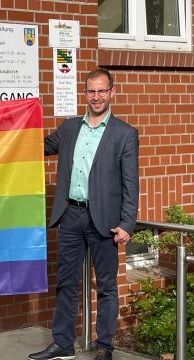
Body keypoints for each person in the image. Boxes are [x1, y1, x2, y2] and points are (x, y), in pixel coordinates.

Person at [28, 68, 139, 360]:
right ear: (85, 93)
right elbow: (36, 146)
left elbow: (131, 183)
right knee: (66, 282)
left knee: (106, 286)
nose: (97, 97)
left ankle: (105, 346)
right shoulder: (69, 128)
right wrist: (21, 119)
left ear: (112, 92)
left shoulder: (125, 134)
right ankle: (63, 344)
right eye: (91, 91)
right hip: (71, 216)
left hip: (106, 221)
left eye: (102, 91)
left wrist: (127, 223)